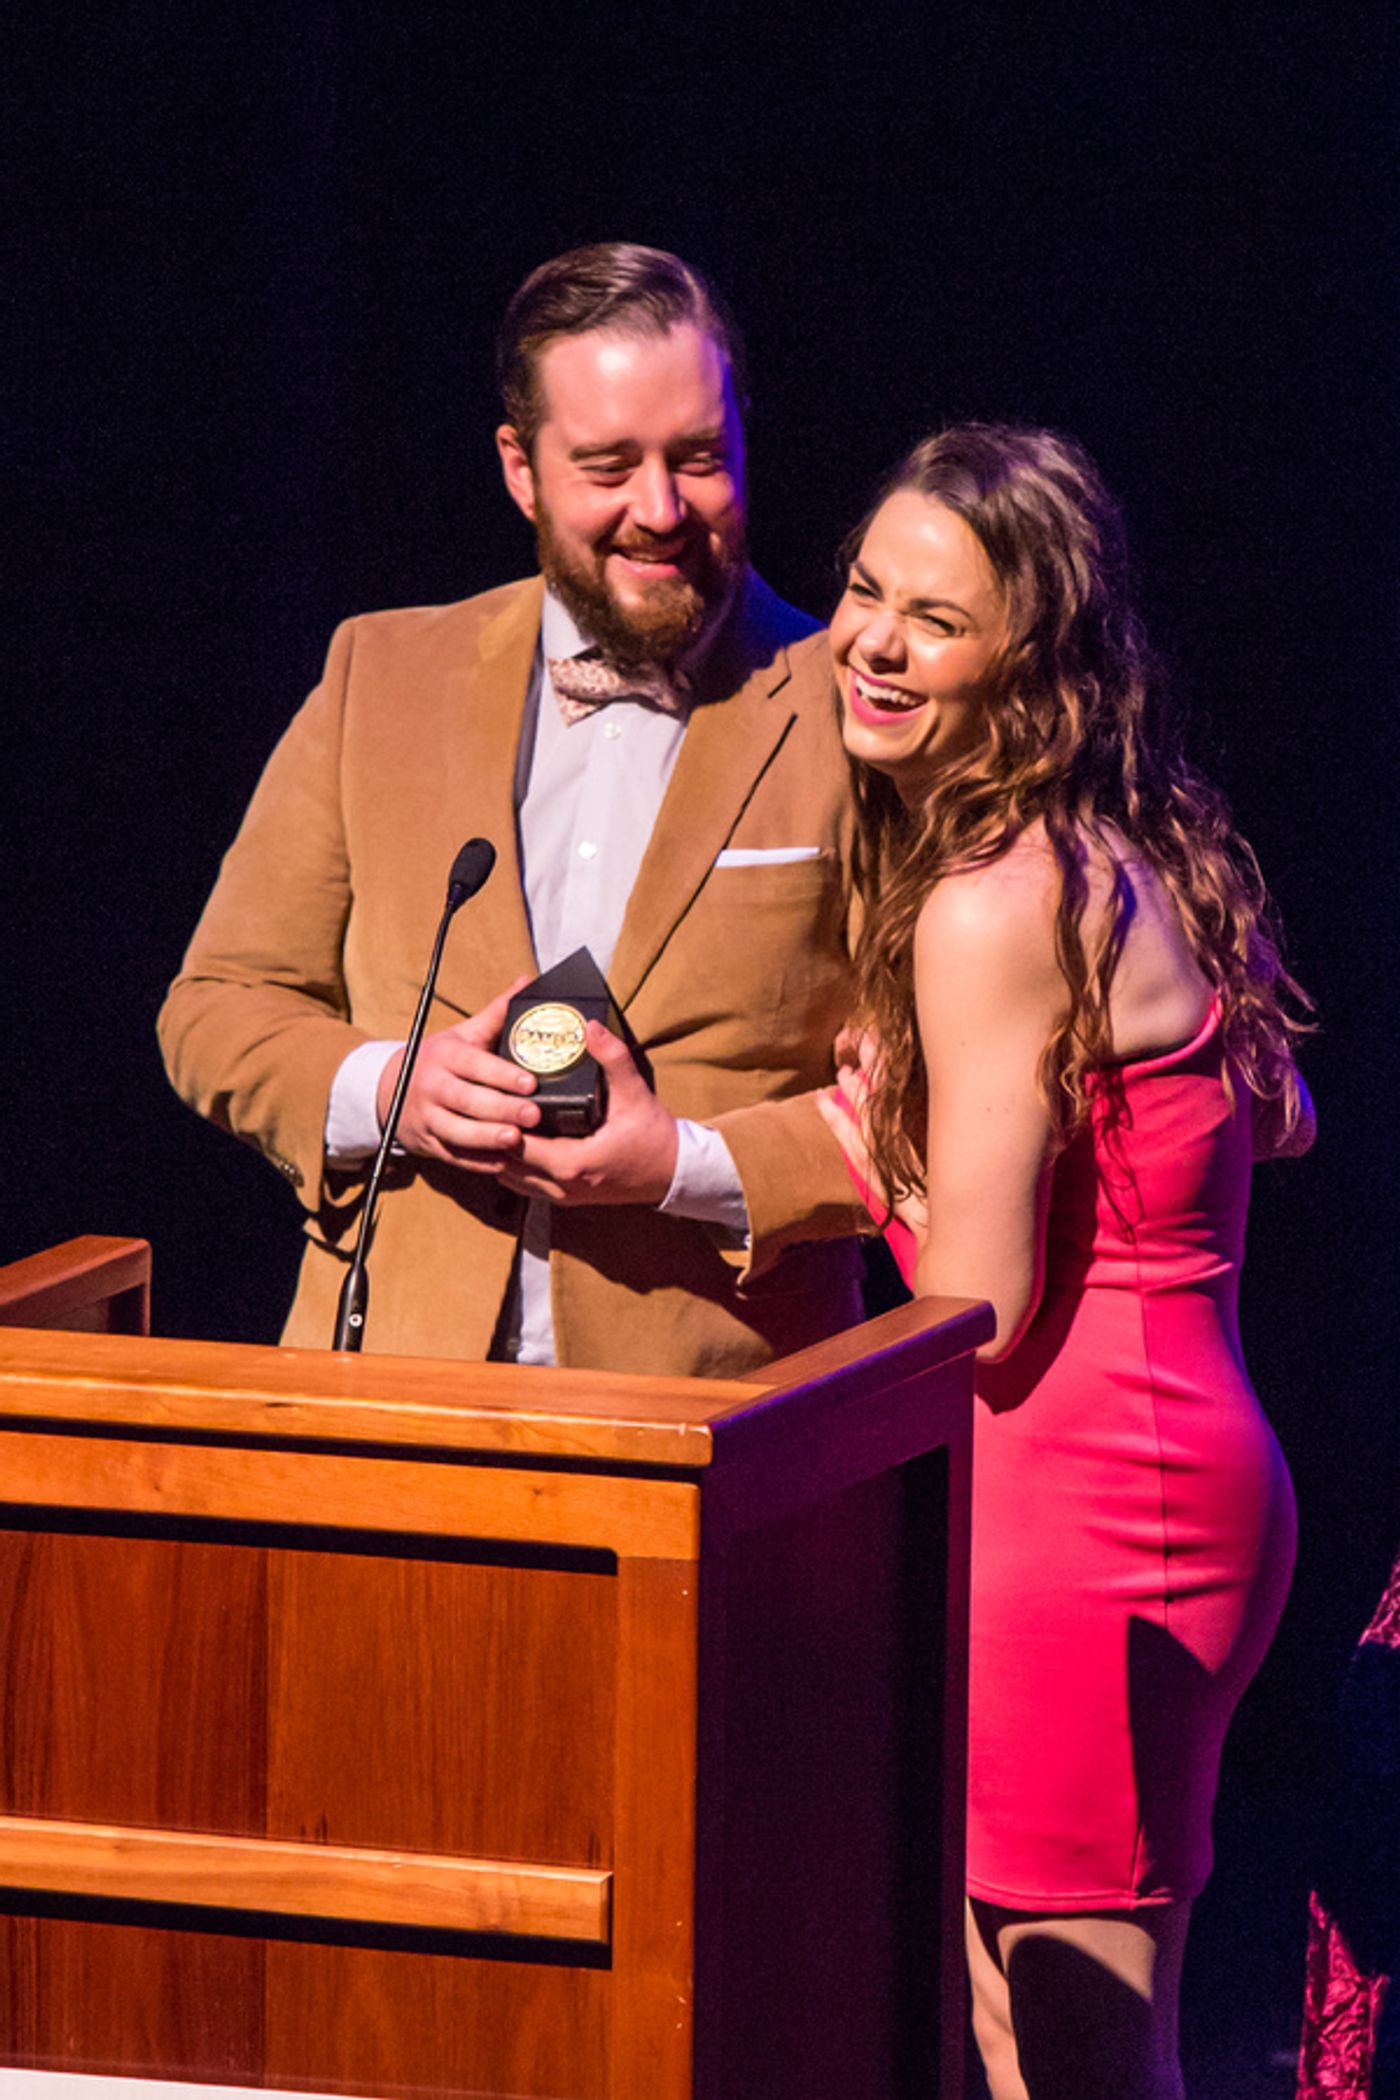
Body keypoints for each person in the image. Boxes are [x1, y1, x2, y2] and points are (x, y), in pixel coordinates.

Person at [816, 424, 1312, 2100]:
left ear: (1032, 663)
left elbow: (984, 1312)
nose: (873, 641)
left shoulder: (993, 903)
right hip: (1170, 1470)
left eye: (934, 620)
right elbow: (1287, 1115)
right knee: (1028, 2035)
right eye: (864, 590)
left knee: (1082, 2052)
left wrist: (873, 1148)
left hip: (1086, 1518)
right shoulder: (1143, 844)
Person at [158, 244, 862, 1372]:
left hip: (719, 1433)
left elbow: (938, 1113)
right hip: (394, 1398)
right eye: (605, 466)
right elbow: (217, 1009)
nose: (660, 508)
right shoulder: (378, 675)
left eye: (697, 458)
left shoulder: (851, 708)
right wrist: (391, 1087)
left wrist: (682, 1163)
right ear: (520, 470)